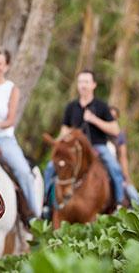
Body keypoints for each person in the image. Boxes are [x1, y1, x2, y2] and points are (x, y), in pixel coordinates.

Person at [42, 70, 125, 212]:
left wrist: (94, 120)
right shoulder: (71, 107)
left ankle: (119, 203)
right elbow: (64, 129)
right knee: (51, 167)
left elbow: (115, 130)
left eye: (86, 82)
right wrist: (62, 139)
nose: (83, 85)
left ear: (93, 85)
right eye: (80, 82)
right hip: (74, 148)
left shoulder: (101, 106)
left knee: (115, 168)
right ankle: (46, 203)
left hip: (97, 146)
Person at [0, 46, 40, 218]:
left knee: (24, 172)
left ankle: (34, 215)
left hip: (3, 139)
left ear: (6, 66)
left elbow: (11, 119)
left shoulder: (11, 88)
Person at [107, 106, 139, 206]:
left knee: (134, 196)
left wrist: (126, 177)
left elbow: (123, 157)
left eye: (114, 118)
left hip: (116, 171)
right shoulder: (99, 135)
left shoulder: (120, 136)